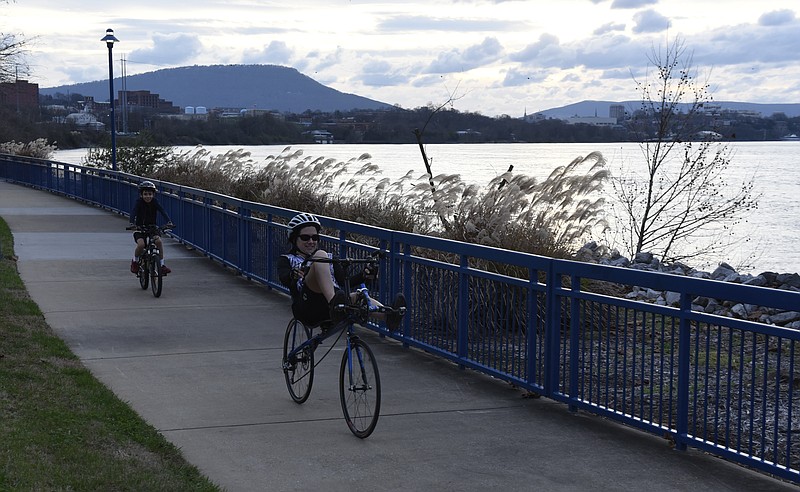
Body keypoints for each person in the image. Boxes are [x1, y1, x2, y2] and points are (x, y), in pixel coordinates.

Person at [277, 212, 406, 330]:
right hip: (308, 306)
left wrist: (364, 275)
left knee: (357, 297)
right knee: (321, 256)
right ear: (294, 239)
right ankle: (335, 305)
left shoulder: (330, 258)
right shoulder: (288, 259)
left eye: (315, 237)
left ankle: (389, 315)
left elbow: (345, 281)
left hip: (332, 306)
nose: (311, 241)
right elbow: (284, 278)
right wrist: (292, 275)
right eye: (305, 238)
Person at [129, 180, 175, 275]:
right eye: (145, 194)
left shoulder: (155, 202)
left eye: (150, 194)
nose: (148, 196)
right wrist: (131, 223)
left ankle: (161, 266)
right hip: (139, 228)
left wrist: (169, 221)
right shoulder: (139, 202)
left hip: (152, 228)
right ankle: (135, 261)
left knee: (158, 242)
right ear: (141, 195)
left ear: (153, 194)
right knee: (141, 245)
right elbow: (133, 212)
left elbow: (162, 211)